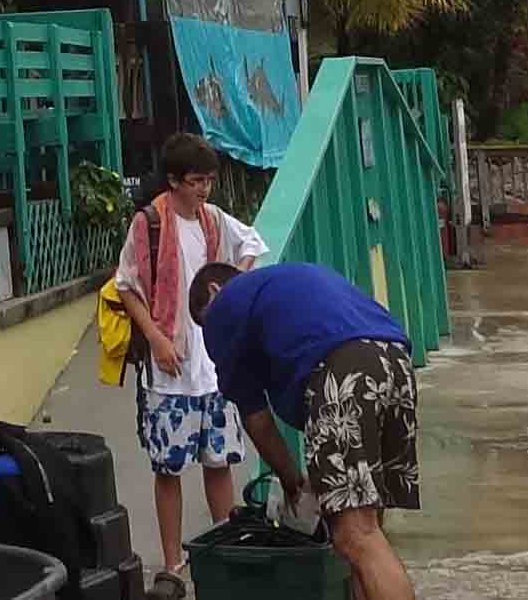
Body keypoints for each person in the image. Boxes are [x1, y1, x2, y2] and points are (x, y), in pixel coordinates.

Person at [190, 260, 421, 600]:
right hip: (395, 363)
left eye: (203, 321)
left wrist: (292, 482)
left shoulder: (226, 303)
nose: (208, 334)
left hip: (343, 371)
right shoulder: (282, 284)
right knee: (368, 529)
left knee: (354, 536)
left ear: (214, 289)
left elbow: (257, 419)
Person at [111, 133, 265, 600]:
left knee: (218, 463)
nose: (205, 190)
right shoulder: (149, 224)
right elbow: (126, 284)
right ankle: (173, 561)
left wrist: (231, 289)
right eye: (197, 181)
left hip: (212, 363)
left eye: (209, 181)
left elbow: (252, 243)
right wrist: (156, 337)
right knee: (169, 468)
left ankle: (222, 547)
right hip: (170, 367)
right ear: (174, 180)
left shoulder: (213, 219)